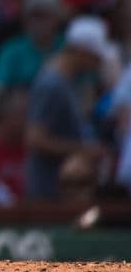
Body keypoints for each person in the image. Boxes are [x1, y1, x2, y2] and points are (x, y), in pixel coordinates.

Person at [26, 15, 111, 200]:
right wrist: (84, 150)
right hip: (50, 192)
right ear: (80, 50)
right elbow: (35, 139)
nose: (97, 64)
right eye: (94, 57)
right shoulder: (51, 84)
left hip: (67, 188)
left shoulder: (68, 82)